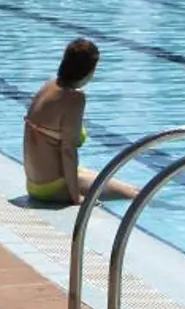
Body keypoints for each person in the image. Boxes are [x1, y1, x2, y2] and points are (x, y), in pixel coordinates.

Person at [23, 39, 138, 206]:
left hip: (36, 182)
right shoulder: (74, 98)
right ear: (90, 70)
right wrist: (75, 196)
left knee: (134, 191)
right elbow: (68, 151)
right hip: (52, 186)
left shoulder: (49, 85)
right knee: (134, 196)